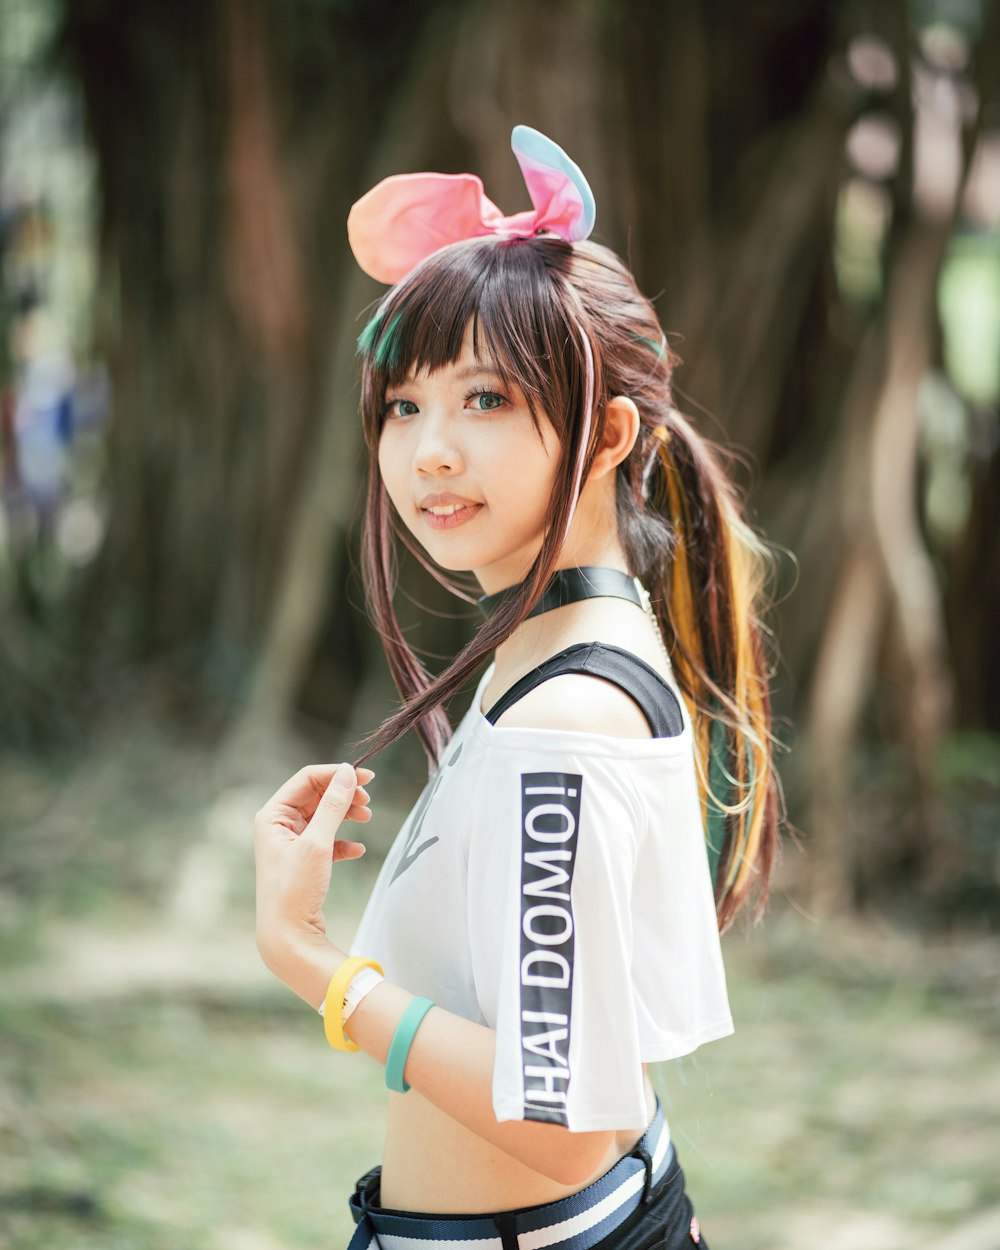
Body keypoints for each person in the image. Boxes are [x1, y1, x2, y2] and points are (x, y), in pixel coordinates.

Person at [253, 125, 782, 1250]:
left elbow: (558, 1121)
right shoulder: (552, 647)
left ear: (608, 435)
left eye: (484, 400)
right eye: (404, 404)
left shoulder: (567, 721)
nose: (427, 450)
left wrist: (313, 965)